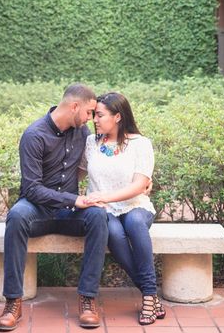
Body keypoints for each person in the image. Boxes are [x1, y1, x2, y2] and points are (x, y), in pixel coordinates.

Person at [0, 83, 108, 332]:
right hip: (38, 210)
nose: (90, 118)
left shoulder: (82, 132)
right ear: (74, 106)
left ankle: (88, 299)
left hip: (70, 214)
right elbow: (32, 189)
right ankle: (13, 301)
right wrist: (73, 200)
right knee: (16, 215)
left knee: (98, 216)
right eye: (89, 112)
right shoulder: (34, 135)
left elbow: (115, 145)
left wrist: (141, 179)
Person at [81, 91, 166, 326]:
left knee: (136, 224)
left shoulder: (140, 144)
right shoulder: (91, 142)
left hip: (134, 205)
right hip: (103, 209)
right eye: (93, 115)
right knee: (115, 234)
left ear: (117, 117)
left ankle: (148, 294)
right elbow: (76, 172)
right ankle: (150, 295)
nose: (94, 120)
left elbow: (140, 186)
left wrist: (107, 195)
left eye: (99, 115)